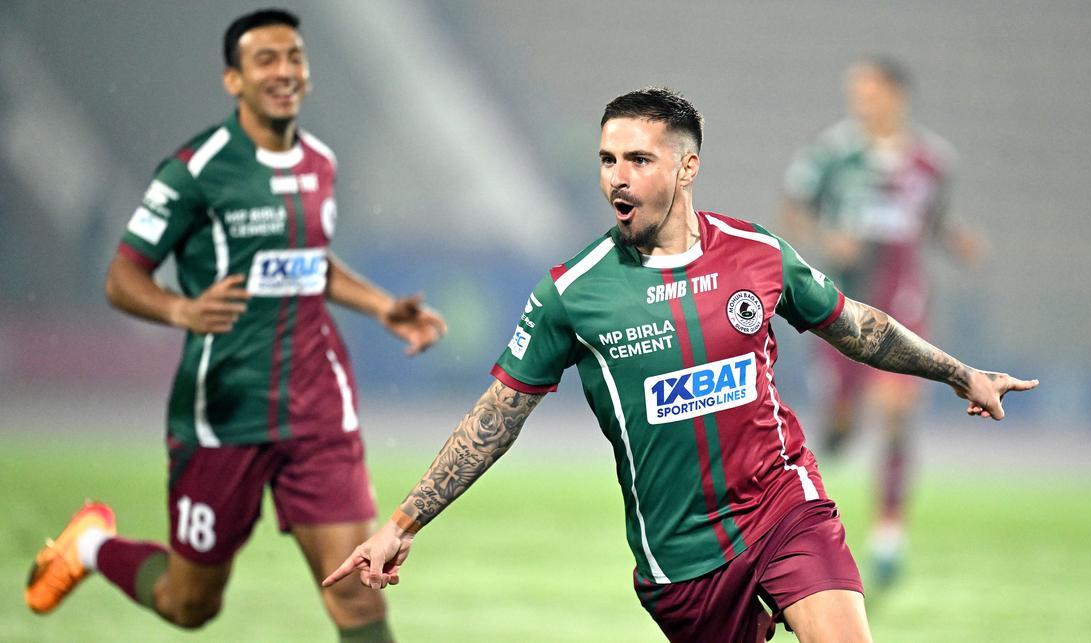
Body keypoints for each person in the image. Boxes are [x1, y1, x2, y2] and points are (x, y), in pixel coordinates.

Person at [322, 87, 1036, 643]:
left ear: (687, 166)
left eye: (639, 159)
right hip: (680, 556)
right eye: (608, 160)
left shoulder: (758, 254)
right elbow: (497, 418)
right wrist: (404, 522)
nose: (618, 177)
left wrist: (960, 373)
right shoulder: (573, 292)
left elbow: (856, 326)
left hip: (782, 504)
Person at [24, 9, 446, 642]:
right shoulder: (195, 171)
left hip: (316, 407)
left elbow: (310, 261)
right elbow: (121, 277)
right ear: (233, 80)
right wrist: (180, 309)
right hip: (224, 411)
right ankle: (90, 546)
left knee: (358, 594)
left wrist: (382, 307)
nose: (284, 72)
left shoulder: (320, 162)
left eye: (294, 57)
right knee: (189, 605)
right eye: (265, 60)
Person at [781, 57, 982, 586]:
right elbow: (794, 210)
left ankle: (889, 535)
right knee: (842, 425)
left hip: (904, 298)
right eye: (856, 93)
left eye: (868, 92)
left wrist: (956, 240)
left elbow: (933, 220)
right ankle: (837, 430)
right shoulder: (831, 154)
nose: (860, 103)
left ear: (896, 95)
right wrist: (828, 236)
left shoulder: (932, 161)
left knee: (895, 412)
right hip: (842, 304)